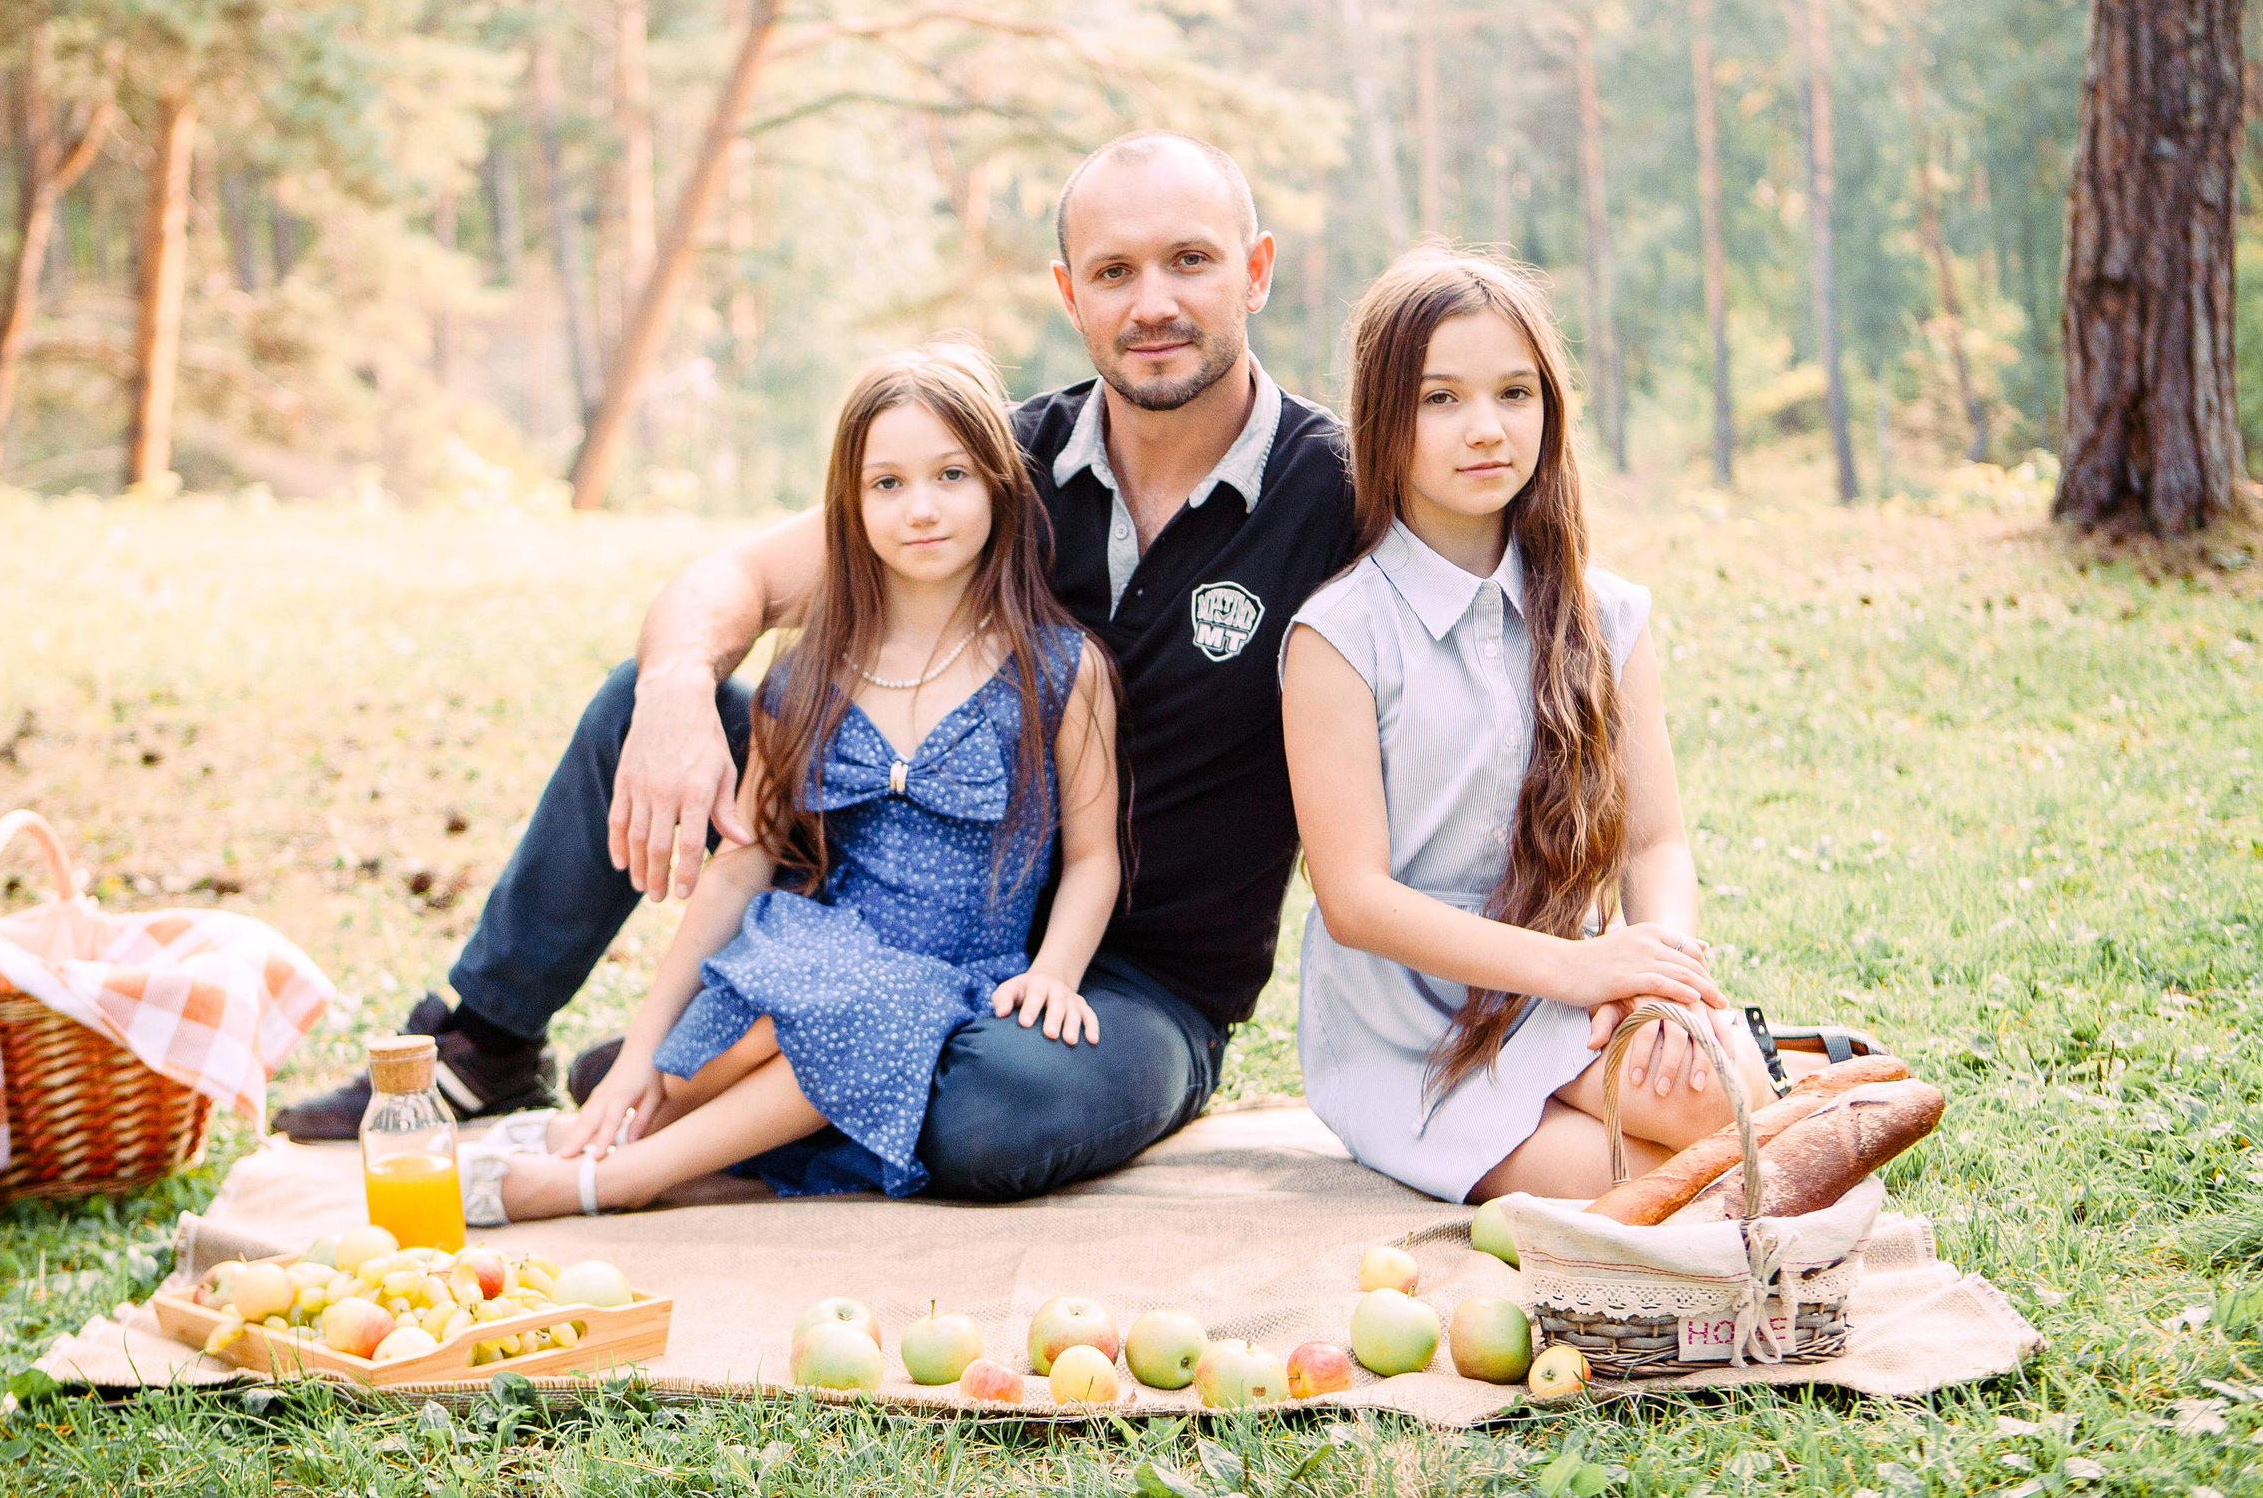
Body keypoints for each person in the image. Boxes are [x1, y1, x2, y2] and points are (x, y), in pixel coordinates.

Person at [274, 129, 1357, 1201]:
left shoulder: (1341, 494)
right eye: (1115, 272)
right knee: (639, 703)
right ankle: (491, 1042)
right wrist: (673, 694)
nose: (1151, 304)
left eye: (1190, 260)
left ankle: (718, 1077)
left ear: (1254, 271)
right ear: (1071, 296)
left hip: (1120, 981)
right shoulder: (992, 462)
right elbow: (730, 580)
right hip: (890, 898)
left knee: (997, 1120)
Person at [459, 343, 1119, 1219]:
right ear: (848, 503)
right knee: (781, 993)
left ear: (1000, 484)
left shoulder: (1059, 671)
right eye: (887, 484)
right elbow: (739, 864)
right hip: (809, 953)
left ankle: (612, 1178)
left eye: (951, 475)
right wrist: (638, 1048)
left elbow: (1092, 856)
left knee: (868, 1008)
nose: (920, 508)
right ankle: (612, 1128)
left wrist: (1056, 972)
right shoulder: (809, 672)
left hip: (945, 977)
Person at [1281, 248, 1825, 1204]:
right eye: (1439, 398)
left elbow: (1656, 841)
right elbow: (1354, 901)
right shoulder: (1341, 635)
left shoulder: (1604, 614)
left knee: (1724, 1102)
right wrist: (1586, 969)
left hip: (1568, 985)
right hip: (1412, 1025)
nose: (1486, 428)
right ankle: (1798, 1090)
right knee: (1678, 1184)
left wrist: (1657, 979)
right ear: (1383, 419)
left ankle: (1772, 1074)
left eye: (1514, 392)